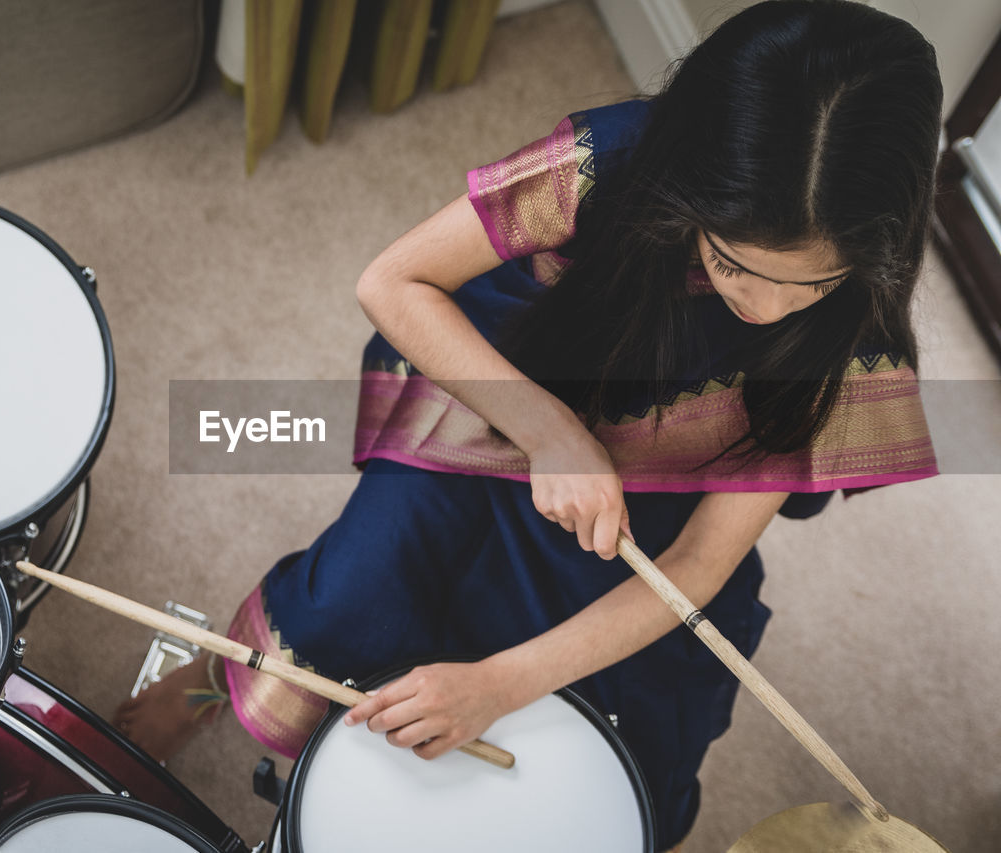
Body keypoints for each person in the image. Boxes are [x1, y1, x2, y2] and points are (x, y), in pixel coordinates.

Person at [114, 1, 943, 847]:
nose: (765, 308)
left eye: (811, 284)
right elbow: (393, 283)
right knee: (346, 605)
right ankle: (209, 682)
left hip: (662, 515)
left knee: (630, 759)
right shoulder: (602, 164)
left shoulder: (859, 332)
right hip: (498, 413)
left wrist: (500, 685)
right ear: (693, 181)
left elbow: (695, 565)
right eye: (731, 260)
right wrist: (550, 431)